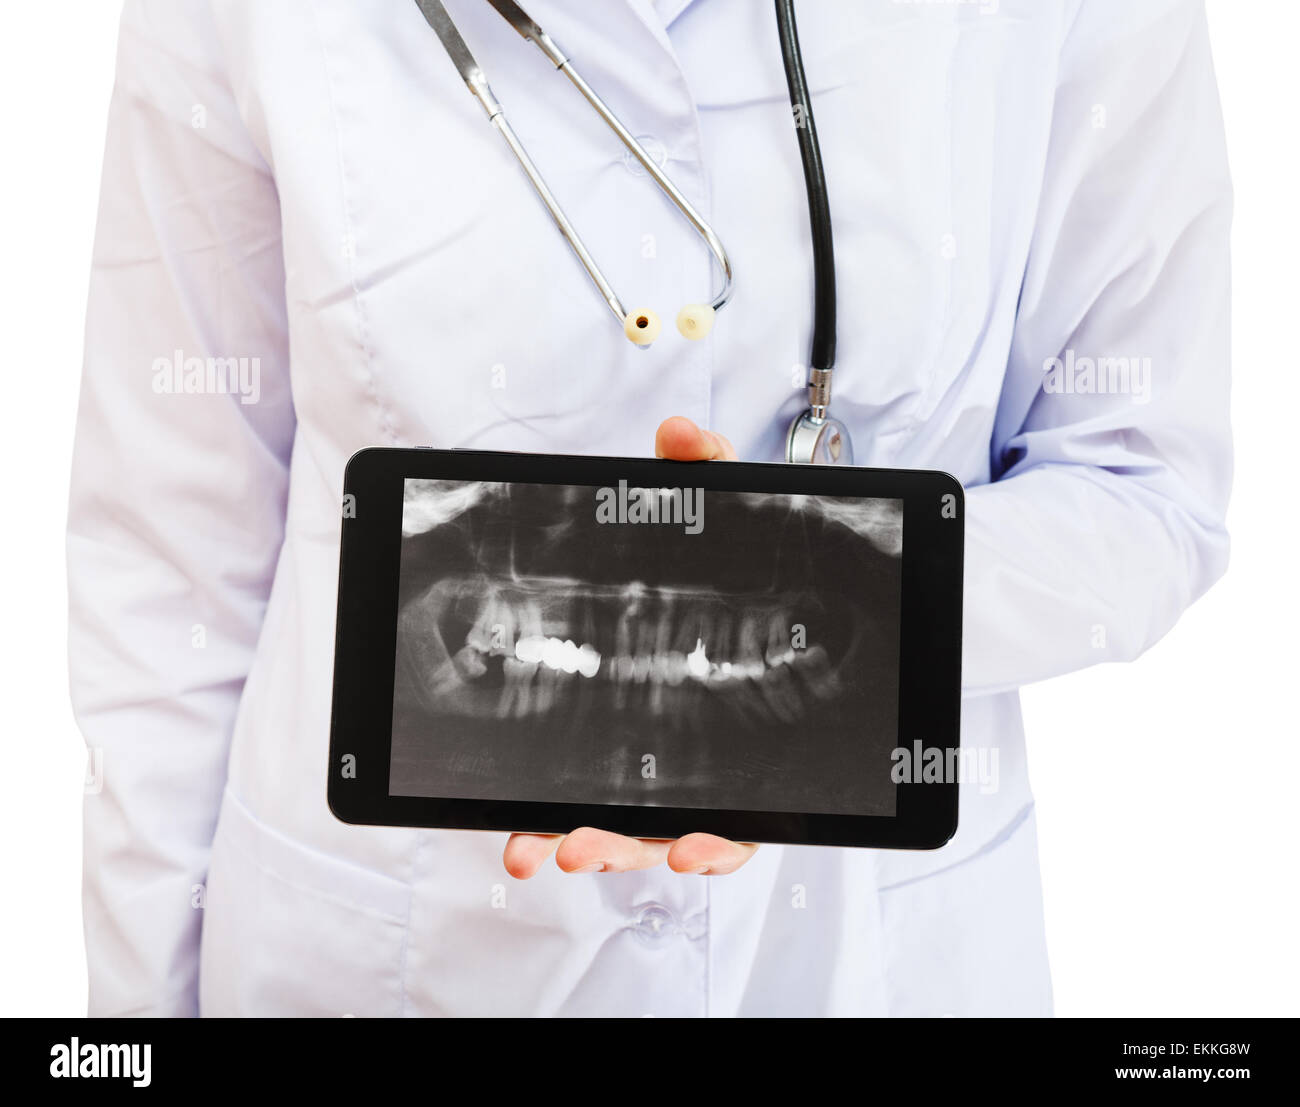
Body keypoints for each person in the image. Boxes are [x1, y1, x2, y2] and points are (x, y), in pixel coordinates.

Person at [68, 0, 1231, 1017]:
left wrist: (830, 618)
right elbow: (173, 554)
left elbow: (1142, 479)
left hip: (866, 954)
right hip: (377, 955)